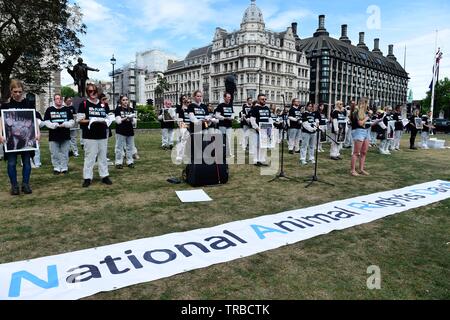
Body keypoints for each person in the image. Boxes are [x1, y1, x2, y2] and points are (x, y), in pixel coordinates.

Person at [0, 79, 41, 195]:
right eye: (15, 91)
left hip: (26, 138)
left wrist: (38, 132)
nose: (18, 94)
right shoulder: (5, 106)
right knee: (11, 163)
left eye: (20, 91)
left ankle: (25, 184)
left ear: (22, 91)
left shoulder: (28, 104)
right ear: (11, 91)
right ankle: (14, 186)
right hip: (10, 139)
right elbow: (1, 121)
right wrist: (0, 135)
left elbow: (34, 120)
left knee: (27, 162)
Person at [78, 83, 113, 187]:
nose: (92, 93)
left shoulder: (103, 104)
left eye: (94, 91)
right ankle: (87, 178)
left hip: (102, 134)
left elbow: (108, 117)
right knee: (90, 157)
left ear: (97, 92)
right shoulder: (84, 104)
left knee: (103, 157)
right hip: (89, 135)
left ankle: (104, 176)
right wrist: (91, 120)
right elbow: (79, 120)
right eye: (89, 91)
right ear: (87, 92)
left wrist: (106, 120)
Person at [44, 94, 74, 174]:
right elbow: (46, 122)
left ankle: (64, 168)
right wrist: (55, 125)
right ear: (54, 100)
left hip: (65, 135)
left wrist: (65, 124)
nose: (59, 100)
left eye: (60, 98)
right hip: (54, 135)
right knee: (54, 153)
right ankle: (56, 168)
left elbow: (72, 122)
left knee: (65, 152)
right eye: (57, 98)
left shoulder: (67, 110)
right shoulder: (49, 110)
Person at [249, 93, 273, 166]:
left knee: (264, 145)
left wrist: (271, 127)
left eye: (265, 99)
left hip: (265, 130)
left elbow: (269, 119)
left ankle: (262, 160)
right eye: (262, 99)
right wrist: (257, 128)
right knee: (256, 146)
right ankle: (256, 161)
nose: (264, 100)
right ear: (258, 100)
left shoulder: (267, 108)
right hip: (257, 130)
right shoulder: (255, 108)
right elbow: (252, 120)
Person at [350, 98, 371, 176]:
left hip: (366, 131)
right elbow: (360, 123)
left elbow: (366, 122)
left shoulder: (365, 112)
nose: (367, 105)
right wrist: (368, 117)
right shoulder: (356, 111)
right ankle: (352, 170)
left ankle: (361, 169)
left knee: (364, 152)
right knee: (356, 152)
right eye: (366, 103)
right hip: (359, 131)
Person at [115, 95, 136, 169]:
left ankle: (130, 161)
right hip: (120, 130)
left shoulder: (131, 109)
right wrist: (126, 118)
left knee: (130, 147)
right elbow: (118, 121)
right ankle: (118, 162)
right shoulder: (118, 109)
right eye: (123, 100)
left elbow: (134, 123)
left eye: (126, 99)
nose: (125, 101)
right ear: (121, 101)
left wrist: (132, 119)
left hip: (130, 130)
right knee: (119, 147)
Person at [215, 92, 234, 157]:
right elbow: (217, 115)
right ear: (224, 97)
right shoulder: (220, 105)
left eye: (230, 97)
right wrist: (224, 118)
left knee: (229, 139)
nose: (229, 99)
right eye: (228, 97)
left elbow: (231, 114)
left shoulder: (230, 105)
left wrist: (232, 118)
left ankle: (228, 153)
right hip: (222, 125)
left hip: (229, 125)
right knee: (221, 139)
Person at [175, 95, 191, 163]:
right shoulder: (179, 108)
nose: (187, 102)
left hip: (191, 126)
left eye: (189, 102)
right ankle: (179, 156)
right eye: (184, 99)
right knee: (183, 140)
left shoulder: (191, 109)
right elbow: (179, 119)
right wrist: (184, 125)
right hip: (183, 126)